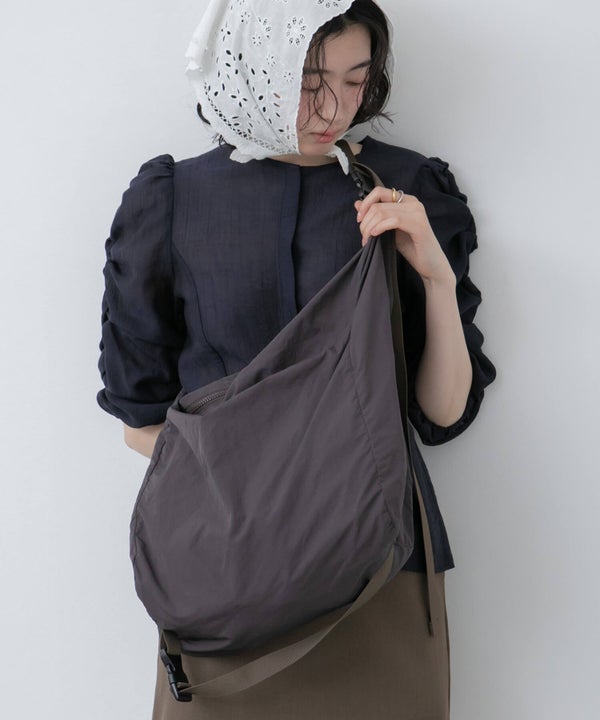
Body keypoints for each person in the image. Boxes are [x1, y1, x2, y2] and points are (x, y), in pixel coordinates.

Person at [97, 1, 496, 717]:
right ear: (254, 66)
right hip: (224, 572)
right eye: (309, 81)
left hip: (378, 563)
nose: (334, 108)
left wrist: (435, 275)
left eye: (356, 79)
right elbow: (139, 422)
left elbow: (441, 412)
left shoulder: (404, 191)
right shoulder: (172, 200)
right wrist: (275, 483)